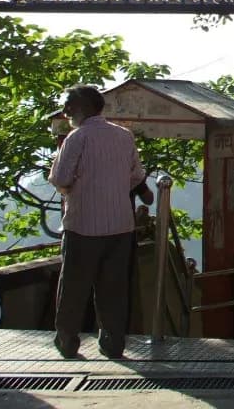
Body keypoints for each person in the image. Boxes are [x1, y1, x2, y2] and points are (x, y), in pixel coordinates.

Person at [49, 85, 145, 359]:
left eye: (69, 104)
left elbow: (61, 178)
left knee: (74, 288)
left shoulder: (77, 137)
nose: (66, 110)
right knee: (114, 289)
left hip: (83, 225)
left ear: (82, 107)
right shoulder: (124, 136)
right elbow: (136, 175)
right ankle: (113, 344)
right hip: (120, 225)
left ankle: (68, 341)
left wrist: (74, 188)